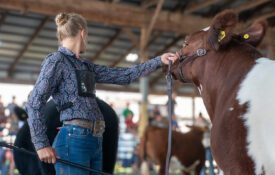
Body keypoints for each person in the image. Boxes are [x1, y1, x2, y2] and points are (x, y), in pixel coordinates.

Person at [26, 12, 179, 175]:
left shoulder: (86, 66)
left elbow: (124, 76)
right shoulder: (56, 60)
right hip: (74, 138)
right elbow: (34, 101)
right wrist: (41, 144)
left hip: (95, 138)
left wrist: (158, 61)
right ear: (82, 33)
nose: (88, 40)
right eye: (88, 35)